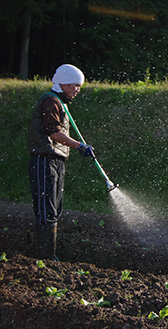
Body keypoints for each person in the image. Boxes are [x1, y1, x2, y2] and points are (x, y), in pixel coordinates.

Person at [27, 64, 94, 260]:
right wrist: (79, 146)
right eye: (74, 86)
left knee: (55, 207)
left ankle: (49, 254)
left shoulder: (59, 102)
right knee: (46, 207)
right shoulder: (50, 101)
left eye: (79, 87)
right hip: (43, 159)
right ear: (63, 83)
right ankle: (45, 256)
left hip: (56, 161)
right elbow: (54, 132)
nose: (77, 91)